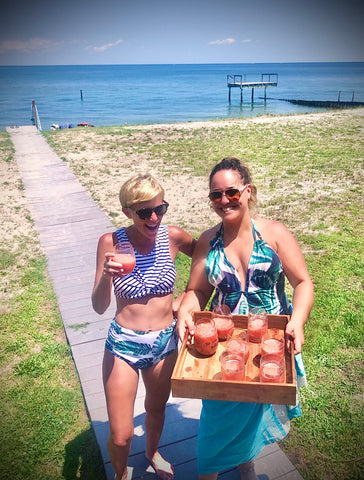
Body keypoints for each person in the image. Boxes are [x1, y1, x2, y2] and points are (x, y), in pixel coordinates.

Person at [177, 157, 314, 480]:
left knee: (255, 408)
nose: (224, 201)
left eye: (232, 192)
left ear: (248, 191)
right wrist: (184, 311)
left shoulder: (274, 233)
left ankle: (245, 462)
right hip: (223, 345)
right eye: (216, 195)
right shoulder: (208, 242)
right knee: (216, 420)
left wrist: (297, 320)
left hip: (269, 344)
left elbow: (303, 283)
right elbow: (196, 291)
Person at [92, 174, 196, 480]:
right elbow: (98, 306)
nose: (154, 217)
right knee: (121, 435)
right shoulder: (111, 243)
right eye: (144, 212)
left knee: (156, 408)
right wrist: (107, 277)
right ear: (127, 212)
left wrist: (189, 298)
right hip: (123, 343)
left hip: (164, 342)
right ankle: (121, 474)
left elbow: (207, 260)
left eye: (159, 208)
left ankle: (152, 453)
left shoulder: (173, 236)